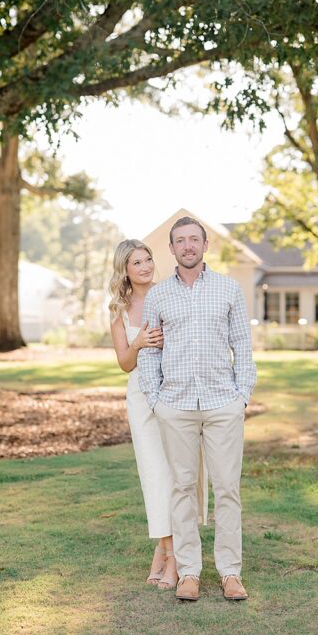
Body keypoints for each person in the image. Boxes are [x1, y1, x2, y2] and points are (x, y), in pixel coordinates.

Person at [138, 216, 257, 603]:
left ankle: (230, 573)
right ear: (171, 248)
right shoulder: (158, 296)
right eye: (180, 240)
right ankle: (189, 572)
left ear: (205, 245)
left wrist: (241, 396)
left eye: (194, 239)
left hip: (223, 403)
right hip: (176, 406)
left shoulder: (228, 289)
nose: (187, 246)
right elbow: (148, 352)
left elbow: (243, 346)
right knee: (183, 489)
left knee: (227, 490)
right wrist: (155, 400)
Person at [108, 239, 208, 590]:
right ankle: (167, 550)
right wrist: (139, 342)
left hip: (177, 391)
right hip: (141, 396)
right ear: (125, 269)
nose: (146, 266)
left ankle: (172, 555)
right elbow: (124, 363)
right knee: (155, 475)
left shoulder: (171, 293)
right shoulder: (118, 310)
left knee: (180, 473)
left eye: (148, 259)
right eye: (136, 262)